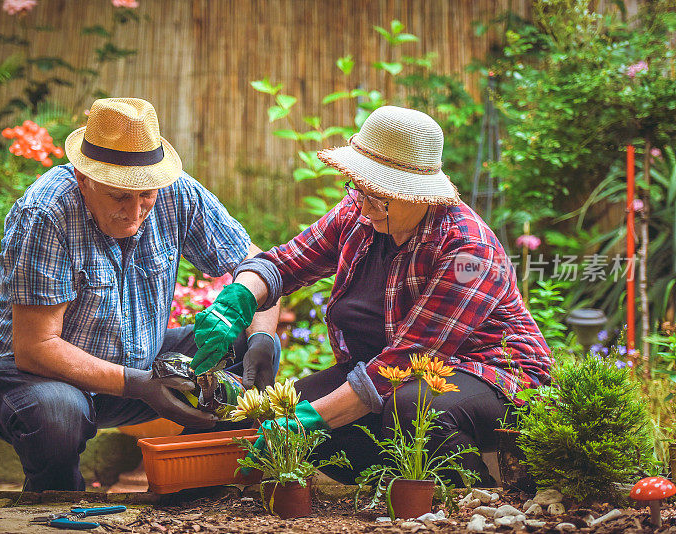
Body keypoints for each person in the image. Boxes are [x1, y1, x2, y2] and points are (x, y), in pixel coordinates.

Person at [192, 106, 553, 485]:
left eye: (378, 197)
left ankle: (478, 497)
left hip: (492, 375)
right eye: (359, 189)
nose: (363, 206)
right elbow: (284, 263)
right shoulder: (360, 212)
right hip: (384, 371)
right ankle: (396, 481)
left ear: (418, 194)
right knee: (276, 412)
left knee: (411, 409)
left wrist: (310, 421)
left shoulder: (468, 251)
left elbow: (408, 358)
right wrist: (238, 298)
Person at [0, 98, 283, 491]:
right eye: (119, 197)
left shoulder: (175, 192)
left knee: (243, 342)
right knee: (59, 413)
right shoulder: (47, 212)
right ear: (84, 178)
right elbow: (36, 347)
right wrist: (139, 384)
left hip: (138, 365)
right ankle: (56, 502)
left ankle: (192, 486)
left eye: (145, 195)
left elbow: (259, 266)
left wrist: (263, 337)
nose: (135, 212)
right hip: (23, 377)